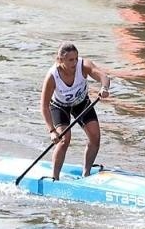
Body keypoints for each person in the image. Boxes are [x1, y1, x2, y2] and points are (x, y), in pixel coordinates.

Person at [39, 42, 112, 179]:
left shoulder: (84, 66)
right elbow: (44, 106)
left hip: (81, 103)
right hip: (60, 106)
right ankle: (54, 177)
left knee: (95, 137)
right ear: (60, 60)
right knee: (64, 139)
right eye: (70, 60)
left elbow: (104, 77)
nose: (75, 63)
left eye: (76, 58)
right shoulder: (52, 76)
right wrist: (52, 131)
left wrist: (104, 88)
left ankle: (86, 173)